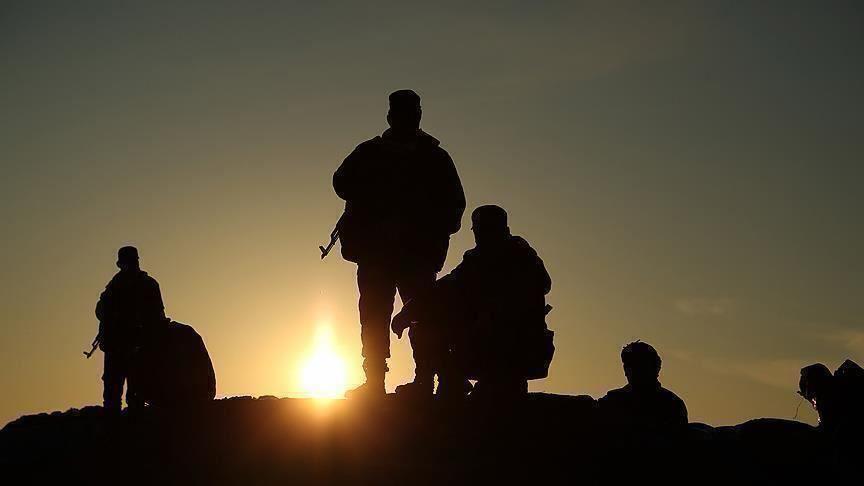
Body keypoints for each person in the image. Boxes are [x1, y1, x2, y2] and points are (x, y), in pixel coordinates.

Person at [333, 90, 465, 398]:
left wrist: (427, 229)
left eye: (413, 113)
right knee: (375, 315)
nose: (410, 119)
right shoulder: (371, 153)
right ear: (392, 116)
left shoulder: (434, 158)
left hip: (414, 255)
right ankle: (376, 381)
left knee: (421, 315)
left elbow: (454, 208)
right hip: (378, 253)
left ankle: (424, 380)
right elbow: (341, 183)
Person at [391, 205, 554, 399]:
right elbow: (445, 288)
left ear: (502, 229)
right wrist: (410, 310)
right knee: (428, 319)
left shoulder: (520, 258)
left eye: (484, 229)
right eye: (477, 230)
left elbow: (532, 292)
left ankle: (486, 381)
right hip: (491, 341)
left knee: (486, 323)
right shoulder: (476, 260)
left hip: (516, 346)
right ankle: (443, 381)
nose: (479, 236)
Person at [95, 246, 165, 412]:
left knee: (135, 395)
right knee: (114, 396)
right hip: (117, 347)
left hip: (137, 346)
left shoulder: (146, 284)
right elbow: (100, 310)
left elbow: (157, 317)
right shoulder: (115, 285)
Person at [598, 341, 688, 431]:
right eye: (630, 365)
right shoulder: (612, 400)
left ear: (656, 367)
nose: (635, 370)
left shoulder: (672, 404)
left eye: (641, 365)